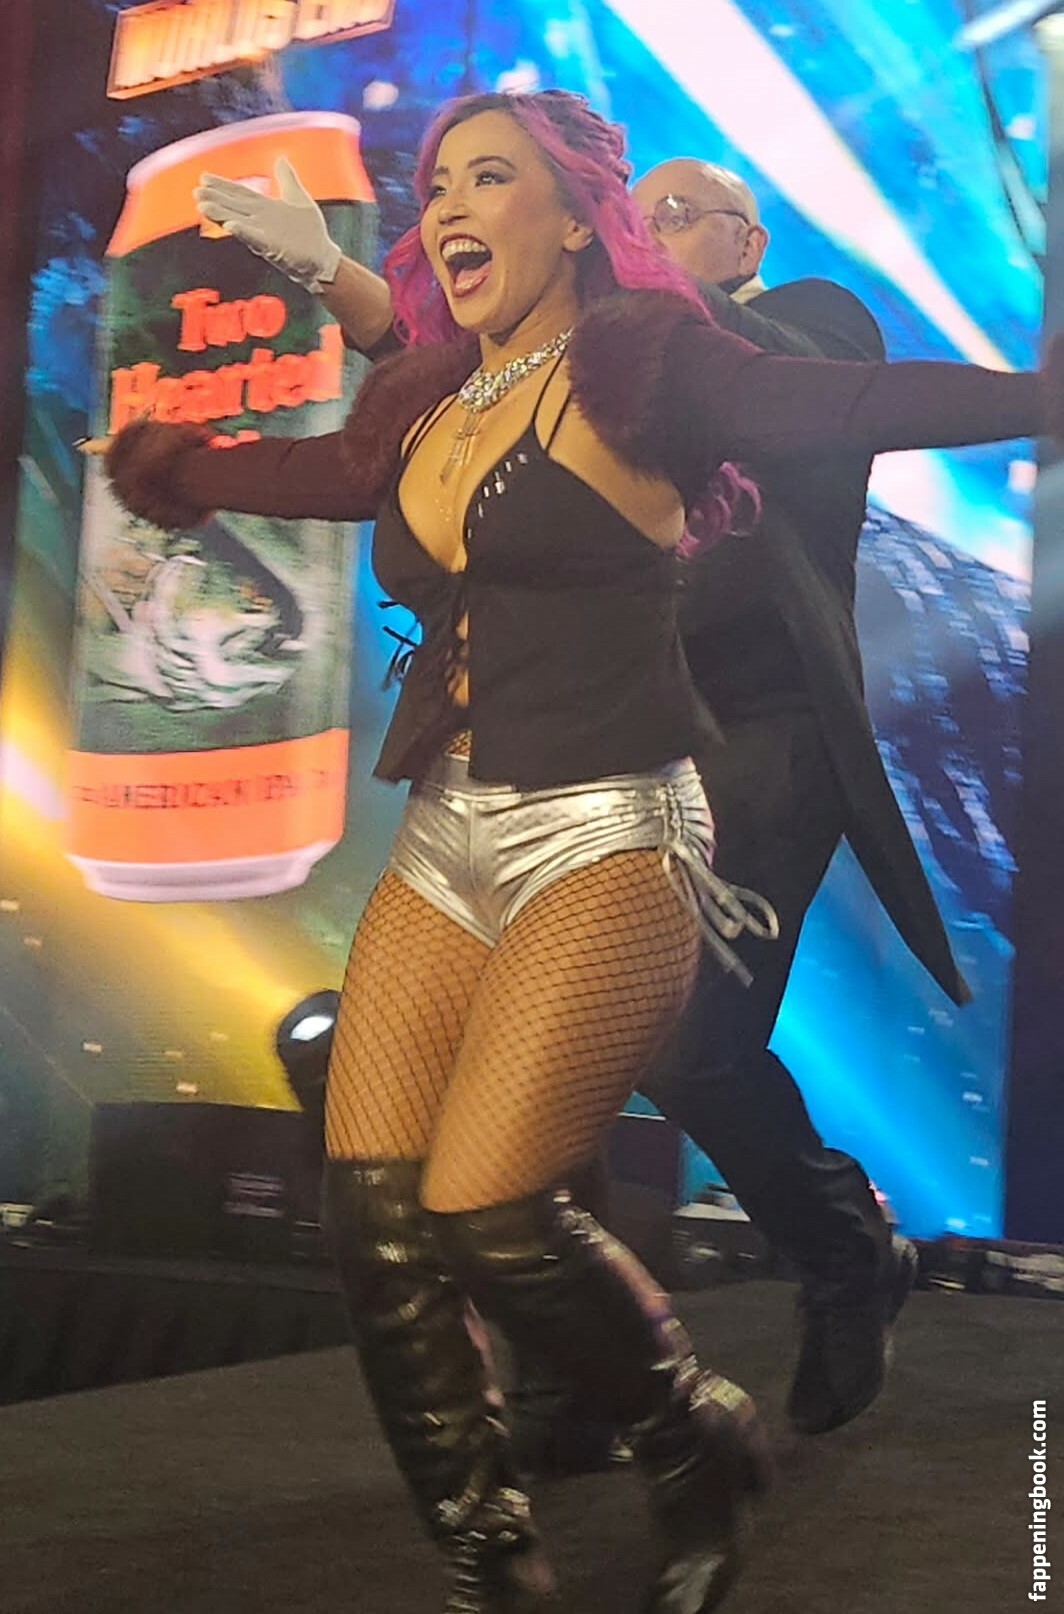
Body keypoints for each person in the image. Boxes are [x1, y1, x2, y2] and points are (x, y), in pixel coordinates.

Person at [106, 90, 1054, 1614]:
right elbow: (381, 424)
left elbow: (830, 401)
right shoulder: (464, 379)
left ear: (603, 222)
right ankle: (497, 1531)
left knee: (590, 1126)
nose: (448, 206)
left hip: (675, 778)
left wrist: (1040, 396)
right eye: (437, 185)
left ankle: (753, 1356)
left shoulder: (709, 344)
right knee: (391, 1202)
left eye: (492, 179)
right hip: (463, 813)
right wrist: (195, 440)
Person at [196, 149, 968, 1440]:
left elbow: (733, 366)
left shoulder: (809, 323)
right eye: (634, 214)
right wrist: (333, 273)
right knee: (519, 1056)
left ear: (746, 245)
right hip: (587, 735)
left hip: (760, 740)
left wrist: (597, 254)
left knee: (686, 1049)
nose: (644, 236)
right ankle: (580, 1374)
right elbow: (456, 372)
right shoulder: (581, 357)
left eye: (676, 218)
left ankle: (844, 1247)